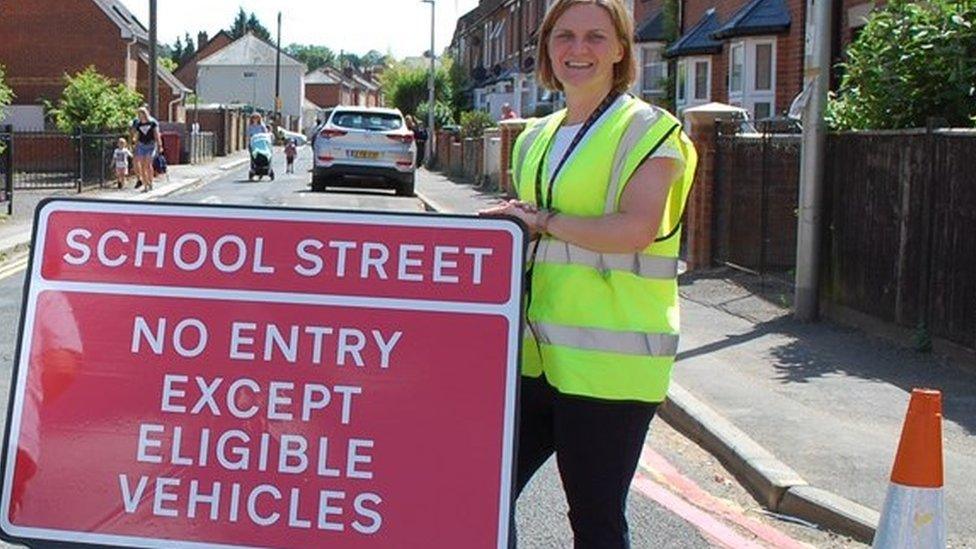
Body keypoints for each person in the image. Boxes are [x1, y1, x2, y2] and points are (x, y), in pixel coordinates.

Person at [480, 0, 698, 546]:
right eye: (565, 36)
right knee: (479, 489)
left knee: (595, 519)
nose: (579, 50)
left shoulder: (650, 130)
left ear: (621, 49)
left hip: (610, 366)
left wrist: (544, 221)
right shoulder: (535, 136)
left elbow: (635, 230)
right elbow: (531, 236)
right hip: (535, 356)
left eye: (596, 38)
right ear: (547, 48)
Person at [130, 106, 162, 192]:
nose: (140, 116)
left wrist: (159, 145)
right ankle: (145, 185)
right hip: (141, 145)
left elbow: (156, 134)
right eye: (139, 114)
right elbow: (137, 136)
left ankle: (150, 182)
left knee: (148, 164)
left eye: (142, 114)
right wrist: (134, 146)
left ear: (145, 114)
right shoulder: (138, 124)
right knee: (142, 166)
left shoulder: (152, 123)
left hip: (150, 145)